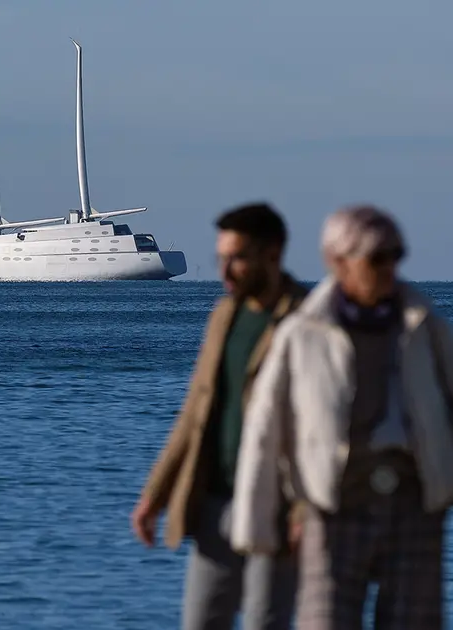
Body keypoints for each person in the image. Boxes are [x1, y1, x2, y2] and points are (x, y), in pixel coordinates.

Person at [231, 204, 453, 629]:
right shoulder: (303, 333)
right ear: (338, 262)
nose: (389, 267)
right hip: (332, 505)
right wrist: (257, 527)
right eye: (377, 257)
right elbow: (265, 428)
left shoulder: (423, 325)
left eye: (395, 255)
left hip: (414, 502)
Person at [131, 202, 307, 630]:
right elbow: (195, 413)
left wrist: (305, 511)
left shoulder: (309, 320)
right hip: (211, 502)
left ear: (274, 254)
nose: (225, 271)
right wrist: (156, 493)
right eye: (221, 258)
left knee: (268, 622)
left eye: (238, 258)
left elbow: (324, 429)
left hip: (275, 509)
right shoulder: (223, 316)